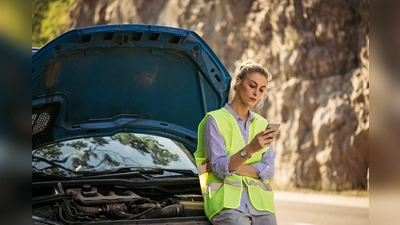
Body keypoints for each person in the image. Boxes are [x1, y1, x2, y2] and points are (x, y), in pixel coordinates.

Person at [194, 60, 278, 225]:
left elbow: (269, 170)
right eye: (252, 85)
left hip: (263, 207)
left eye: (261, 89)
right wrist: (251, 149)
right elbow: (219, 169)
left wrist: (233, 166)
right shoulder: (215, 120)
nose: (256, 93)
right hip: (227, 206)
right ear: (238, 82)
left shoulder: (262, 124)